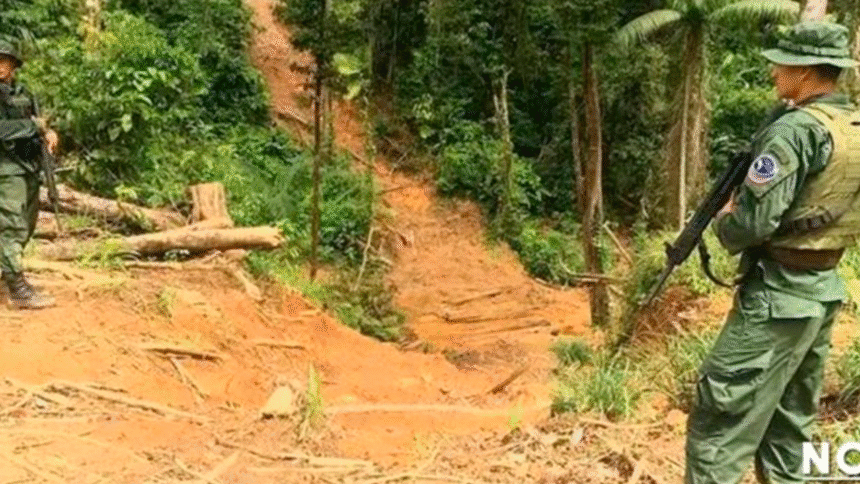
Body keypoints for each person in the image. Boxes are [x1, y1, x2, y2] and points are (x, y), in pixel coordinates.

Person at [685, 21, 860, 483]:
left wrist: (725, 222)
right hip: (822, 290)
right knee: (790, 428)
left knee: (719, 423)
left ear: (803, 71)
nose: (773, 73)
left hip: (777, 297)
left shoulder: (794, 132)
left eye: (780, 64)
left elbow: (755, 222)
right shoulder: (852, 126)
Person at [0, 40, 58, 309]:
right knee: (11, 227)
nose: (0, 65)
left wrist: (48, 134)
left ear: (13, 65)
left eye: (5, 60)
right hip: (4, 171)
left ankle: (5, 277)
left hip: (27, 168)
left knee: (26, 225)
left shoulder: (25, 94)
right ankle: (18, 290)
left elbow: (42, 126)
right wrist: (34, 126)